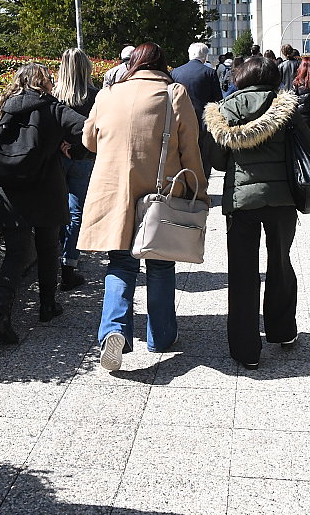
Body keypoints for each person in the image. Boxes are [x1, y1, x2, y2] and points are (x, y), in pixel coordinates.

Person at [77, 42, 208, 371]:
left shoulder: (107, 94)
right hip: (161, 192)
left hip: (116, 191)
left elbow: (88, 141)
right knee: (160, 264)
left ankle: (113, 331)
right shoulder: (173, 94)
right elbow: (191, 149)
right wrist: (199, 191)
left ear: (132, 64)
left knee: (120, 264)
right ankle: (161, 336)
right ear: (163, 65)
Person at [204, 57, 310, 369]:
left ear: (239, 77)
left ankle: (246, 350)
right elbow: (307, 147)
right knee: (280, 262)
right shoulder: (286, 109)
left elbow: (218, 161)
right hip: (282, 201)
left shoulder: (224, 111)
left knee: (242, 274)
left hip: (241, 202)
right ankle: (282, 331)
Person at [0, 63, 86, 344]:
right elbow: (86, 129)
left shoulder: (4, 107)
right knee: (48, 247)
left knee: (15, 255)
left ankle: (2, 317)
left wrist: (9, 167)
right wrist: (72, 151)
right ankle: (47, 306)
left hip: (11, 194)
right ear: (44, 83)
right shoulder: (53, 108)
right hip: (47, 190)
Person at [53, 47, 98, 290]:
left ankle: (60, 257)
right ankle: (69, 263)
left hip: (57, 158)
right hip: (83, 157)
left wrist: (60, 144)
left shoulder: (54, 95)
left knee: (58, 209)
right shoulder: (94, 95)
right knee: (76, 209)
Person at [170, 41, 223, 178]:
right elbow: (217, 100)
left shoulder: (175, 72)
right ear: (205, 57)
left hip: (179, 120)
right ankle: (202, 186)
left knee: (181, 152)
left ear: (189, 54)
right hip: (203, 121)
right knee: (203, 156)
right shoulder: (210, 73)